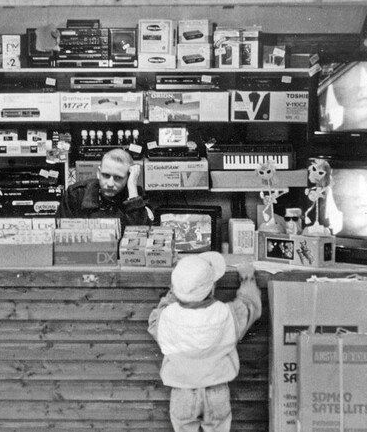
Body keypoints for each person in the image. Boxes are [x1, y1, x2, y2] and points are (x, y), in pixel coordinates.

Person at [148, 253, 262, 432]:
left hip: (182, 392)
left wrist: (176, 289)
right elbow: (251, 306)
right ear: (212, 287)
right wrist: (247, 278)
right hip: (217, 391)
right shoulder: (228, 314)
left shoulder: (165, 318)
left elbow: (155, 319)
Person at [55, 148, 151, 226]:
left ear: (128, 177)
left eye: (118, 178)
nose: (110, 183)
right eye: (106, 175)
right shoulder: (76, 194)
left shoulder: (135, 196)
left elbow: (141, 237)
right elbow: (62, 235)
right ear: (98, 173)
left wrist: (132, 190)